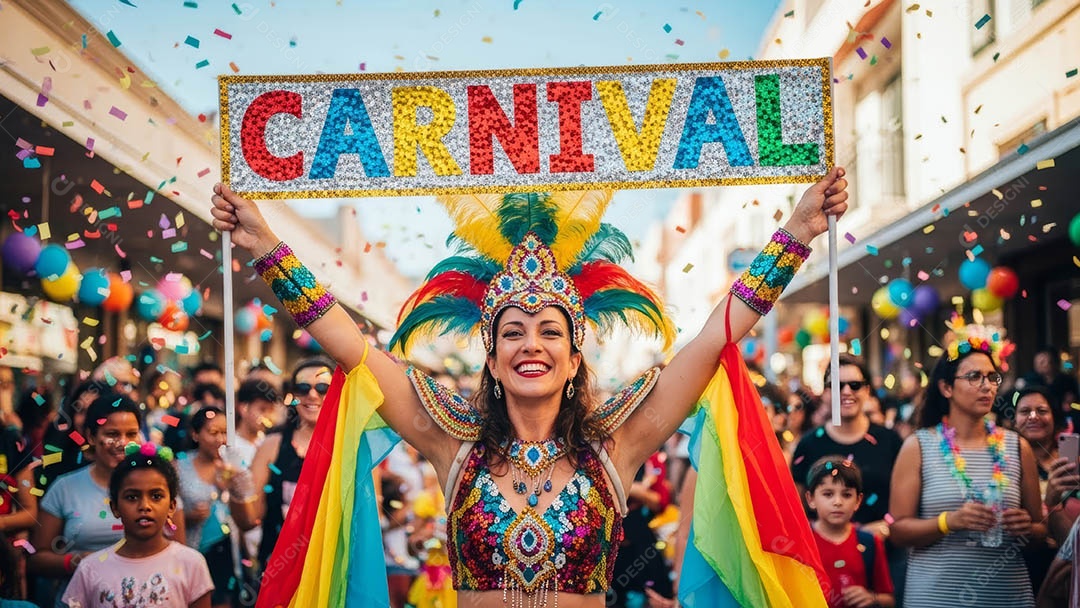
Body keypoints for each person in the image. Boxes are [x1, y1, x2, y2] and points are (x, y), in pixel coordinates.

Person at [211, 167, 849, 607]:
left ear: (575, 358)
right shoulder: (450, 440)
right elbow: (349, 345)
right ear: (491, 358)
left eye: (550, 332)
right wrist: (265, 242)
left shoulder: (617, 444)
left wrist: (797, 231)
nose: (531, 345)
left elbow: (714, 339)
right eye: (512, 332)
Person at [890, 318, 1043, 607]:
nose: (987, 386)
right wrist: (949, 521)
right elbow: (898, 531)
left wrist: (1028, 528)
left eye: (992, 377)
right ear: (947, 387)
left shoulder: (1017, 446)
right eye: (974, 377)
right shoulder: (919, 446)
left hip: (1007, 596)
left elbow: (1040, 531)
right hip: (935, 597)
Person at [30, 394, 186, 607]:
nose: (122, 443)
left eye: (131, 434)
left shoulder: (159, 487)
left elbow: (180, 554)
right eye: (112, 434)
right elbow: (37, 559)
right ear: (91, 437)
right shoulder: (65, 488)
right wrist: (78, 562)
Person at [61, 442, 213, 608]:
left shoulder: (191, 563)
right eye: (132, 497)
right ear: (115, 508)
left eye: (156, 496)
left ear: (171, 506)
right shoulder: (90, 568)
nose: (145, 506)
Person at [792, 354, 902, 537]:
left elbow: (906, 505)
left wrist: (884, 528)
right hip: (824, 556)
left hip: (883, 552)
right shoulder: (808, 444)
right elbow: (796, 508)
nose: (847, 391)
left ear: (867, 391)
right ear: (826, 393)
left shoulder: (889, 440)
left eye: (855, 385)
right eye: (838, 386)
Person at [249, 358, 334, 570]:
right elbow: (250, 518)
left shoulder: (352, 449)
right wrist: (237, 490)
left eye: (323, 388)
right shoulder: (272, 445)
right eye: (303, 388)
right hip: (278, 567)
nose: (312, 395)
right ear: (293, 395)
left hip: (329, 569)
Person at [176, 406, 258, 608]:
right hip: (192, 550)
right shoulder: (179, 466)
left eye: (224, 433)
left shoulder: (233, 466)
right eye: (213, 433)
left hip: (224, 549)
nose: (220, 439)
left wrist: (234, 486)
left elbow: (249, 520)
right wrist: (187, 517)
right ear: (195, 434)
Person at [804, 456, 894, 608]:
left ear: (858, 500)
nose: (838, 502)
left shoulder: (869, 542)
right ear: (811, 499)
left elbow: (889, 599)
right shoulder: (803, 541)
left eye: (846, 495)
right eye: (828, 494)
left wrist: (872, 598)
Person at [1013, 386, 1068, 593]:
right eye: (1025, 411)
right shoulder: (1004, 464)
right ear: (1014, 420)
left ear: (1054, 417)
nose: (1033, 417)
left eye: (1042, 411)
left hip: (1066, 563)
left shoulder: (1071, 464)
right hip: (1019, 565)